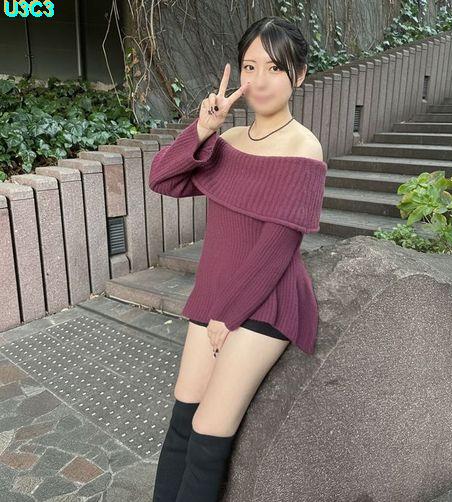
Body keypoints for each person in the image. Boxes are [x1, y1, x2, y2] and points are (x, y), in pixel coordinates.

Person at [149, 16, 327, 502]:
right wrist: (203, 129)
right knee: (182, 421)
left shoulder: (304, 148)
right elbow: (163, 179)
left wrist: (228, 316)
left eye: (275, 67)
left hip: (266, 302)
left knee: (209, 432)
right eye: (250, 67)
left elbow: (278, 246)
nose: (260, 80)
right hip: (214, 294)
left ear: (299, 75)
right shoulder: (227, 143)